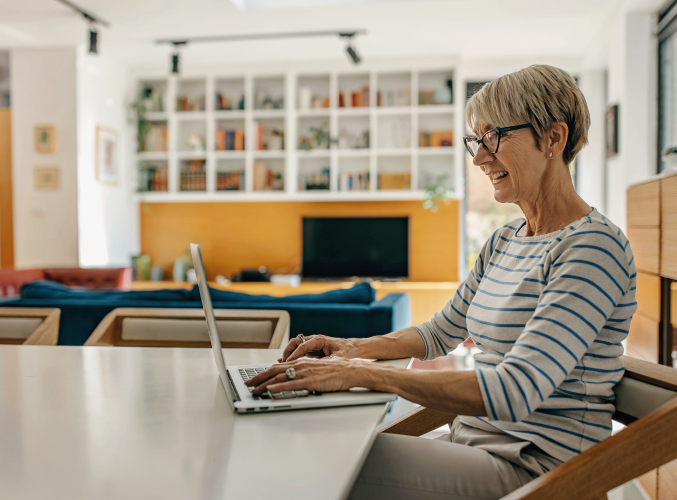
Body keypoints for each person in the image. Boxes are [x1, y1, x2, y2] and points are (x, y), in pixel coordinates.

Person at [245, 64, 638, 500]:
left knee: (321, 455)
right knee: (314, 435)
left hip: (535, 468)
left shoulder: (593, 249)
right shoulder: (505, 239)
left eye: (495, 137)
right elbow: (441, 332)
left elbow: (516, 389)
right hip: (471, 444)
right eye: (477, 140)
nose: (479, 158)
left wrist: (359, 374)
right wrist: (349, 348)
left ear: (553, 138)